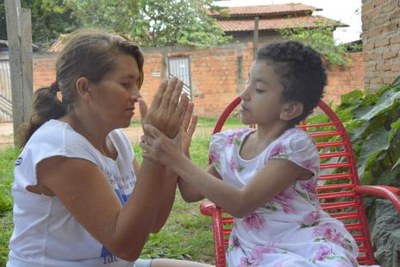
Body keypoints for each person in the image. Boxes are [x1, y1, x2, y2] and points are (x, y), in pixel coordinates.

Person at [140, 41, 362, 266]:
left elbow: (241, 204)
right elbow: (191, 192)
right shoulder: (231, 144)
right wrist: (181, 149)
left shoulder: (294, 147)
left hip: (305, 245)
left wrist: (176, 159)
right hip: (254, 251)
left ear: (289, 109)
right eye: (248, 82)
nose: (244, 94)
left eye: (259, 89)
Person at [7, 29, 212, 267]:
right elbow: (126, 246)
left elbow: (152, 221)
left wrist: (168, 155)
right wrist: (155, 153)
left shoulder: (116, 139)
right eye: (126, 84)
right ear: (85, 88)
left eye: (136, 83)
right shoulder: (60, 148)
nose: (136, 95)